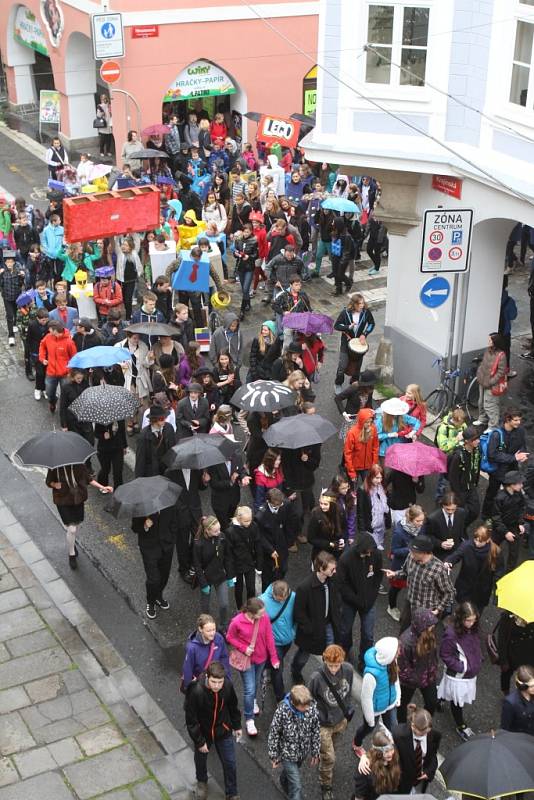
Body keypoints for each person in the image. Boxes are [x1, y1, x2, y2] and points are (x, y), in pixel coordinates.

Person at [184, 661, 242, 800]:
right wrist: (199, 741)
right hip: (203, 732)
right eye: (213, 682)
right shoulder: (196, 691)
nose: (217, 686)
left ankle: (232, 793)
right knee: (201, 759)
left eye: (220, 682)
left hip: (223, 729)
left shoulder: (227, 686)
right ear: (207, 677)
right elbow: (191, 720)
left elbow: (233, 707)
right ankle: (202, 782)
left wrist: (237, 726)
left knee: (230, 763)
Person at [357, 705, 442, 794]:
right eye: (423, 732)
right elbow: (381, 746)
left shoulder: (435, 735)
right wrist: (365, 757)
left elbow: (433, 756)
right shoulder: (398, 734)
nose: (426, 734)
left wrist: (429, 772)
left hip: (421, 780)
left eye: (428, 731)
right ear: (413, 726)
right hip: (402, 781)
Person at [226, 597, 279, 737]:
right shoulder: (237, 622)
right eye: (260, 614)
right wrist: (244, 648)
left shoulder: (264, 618)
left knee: (255, 683)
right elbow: (230, 637)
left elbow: (269, 637)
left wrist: (274, 658)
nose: (263, 616)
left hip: (261, 659)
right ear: (250, 612)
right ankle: (249, 719)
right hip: (247, 661)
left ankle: (253, 702)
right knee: (249, 689)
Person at [308, 644, 355, 800]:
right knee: (330, 758)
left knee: (332, 748)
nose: (334, 669)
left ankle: (324, 760)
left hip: (340, 720)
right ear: (324, 660)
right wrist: (319, 717)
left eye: (337, 665)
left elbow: (348, 692)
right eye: (330, 665)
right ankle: (325, 786)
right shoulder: (316, 678)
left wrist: (346, 710)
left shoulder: (348, 670)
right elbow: (309, 700)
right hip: (323, 724)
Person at [383, 534, 456, 633]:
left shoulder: (439, 569)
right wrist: (395, 574)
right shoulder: (411, 557)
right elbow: (405, 572)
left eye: (414, 552)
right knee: (403, 634)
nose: (411, 554)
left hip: (426, 611)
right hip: (410, 603)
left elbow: (450, 592)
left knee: (421, 642)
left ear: (424, 552)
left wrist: (438, 609)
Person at [46, 464, 112, 569]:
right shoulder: (55, 467)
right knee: (72, 529)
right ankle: (71, 554)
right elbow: (48, 482)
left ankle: (71, 542)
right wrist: (54, 484)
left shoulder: (79, 465)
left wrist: (103, 487)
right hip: (63, 500)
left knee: (75, 527)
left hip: (78, 500)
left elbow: (88, 479)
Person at [291, 551, 341, 684]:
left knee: (330, 653)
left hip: (328, 624)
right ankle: (295, 671)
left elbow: (335, 600)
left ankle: (328, 677)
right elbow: (299, 612)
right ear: (321, 569)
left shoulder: (331, 581)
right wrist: (309, 628)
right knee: (303, 655)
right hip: (312, 629)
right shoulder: (305, 587)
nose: (335, 571)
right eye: (332, 569)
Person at [337, 532, 382, 670]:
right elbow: (342, 585)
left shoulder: (376, 554)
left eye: (370, 552)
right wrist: (356, 600)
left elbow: (378, 577)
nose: (369, 555)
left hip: (368, 602)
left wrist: (371, 598)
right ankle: (345, 650)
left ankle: (364, 659)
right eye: (366, 552)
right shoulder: (345, 559)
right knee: (345, 630)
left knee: (368, 634)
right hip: (350, 602)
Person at [438, 601, 482, 741]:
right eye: (468, 620)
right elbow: (445, 654)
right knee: (457, 701)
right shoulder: (451, 634)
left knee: (449, 691)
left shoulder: (471, 628)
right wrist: (462, 667)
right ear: (461, 618)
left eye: (474, 620)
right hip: (458, 675)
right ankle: (461, 726)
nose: (471, 623)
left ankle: (438, 699)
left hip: (467, 673)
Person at [267, 684, 321, 800]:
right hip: (288, 755)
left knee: (290, 778)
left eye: (308, 704)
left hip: (302, 753)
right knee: (296, 786)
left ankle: (284, 779)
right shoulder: (282, 712)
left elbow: (315, 730)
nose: (307, 708)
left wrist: (315, 751)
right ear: (294, 704)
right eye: (304, 706)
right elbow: (274, 733)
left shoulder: (311, 709)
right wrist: (273, 755)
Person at [352, 637, 400, 757]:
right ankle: (357, 743)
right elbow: (366, 698)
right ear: (389, 655)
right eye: (397, 651)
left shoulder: (392, 662)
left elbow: (396, 680)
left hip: (390, 704)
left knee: (394, 729)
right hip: (375, 708)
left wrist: (397, 696)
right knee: (368, 728)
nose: (399, 652)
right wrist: (370, 718)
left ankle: (389, 751)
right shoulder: (371, 675)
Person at [481, 408, 528, 519]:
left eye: (519, 420)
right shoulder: (496, 435)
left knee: (515, 494)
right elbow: (492, 455)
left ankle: (509, 515)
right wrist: (514, 458)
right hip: (498, 471)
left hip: (512, 470)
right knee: (491, 494)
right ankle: (486, 515)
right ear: (508, 419)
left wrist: (522, 455)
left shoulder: (520, 431)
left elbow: (522, 445)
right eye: (516, 420)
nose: (519, 422)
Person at [397, 609, 439, 722]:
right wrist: (418, 679)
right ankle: (402, 726)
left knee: (432, 702)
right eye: (431, 625)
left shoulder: (428, 634)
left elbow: (433, 654)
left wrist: (433, 668)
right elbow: (403, 670)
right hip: (410, 682)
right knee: (401, 704)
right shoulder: (406, 643)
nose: (433, 627)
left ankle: (422, 722)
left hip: (428, 676)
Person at [387, 504, 426, 622]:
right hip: (401, 565)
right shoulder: (399, 532)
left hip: (415, 563)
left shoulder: (420, 527)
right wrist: (411, 549)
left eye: (422, 520)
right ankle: (391, 607)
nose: (421, 523)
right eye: (418, 521)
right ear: (410, 519)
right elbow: (394, 550)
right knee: (396, 588)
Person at [259, 579, 296, 702]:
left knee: (276, 663)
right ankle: (280, 697)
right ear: (273, 593)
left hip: (288, 640)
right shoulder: (262, 601)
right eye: (279, 599)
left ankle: (266, 668)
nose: (282, 601)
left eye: (284, 599)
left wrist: (293, 631)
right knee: (278, 669)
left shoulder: (292, 596)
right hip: (274, 643)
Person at [256, 488, 298, 590]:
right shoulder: (260, 516)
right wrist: (270, 550)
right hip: (269, 549)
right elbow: (259, 536)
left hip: (282, 545)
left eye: (280, 504)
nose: (279, 507)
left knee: (283, 569)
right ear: (268, 502)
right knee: (268, 577)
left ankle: (278, 588)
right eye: (276, 505)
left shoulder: (286, 505)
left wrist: (289, 541)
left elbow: (291, 523)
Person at [225, 506, 262, 609]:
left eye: (250, 520)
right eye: (246, 521)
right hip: (237, 566)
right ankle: (240, 609)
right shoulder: (230, 532)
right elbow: (228, 554)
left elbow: (258, 545)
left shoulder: (253, 526)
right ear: (239, 519)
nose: (249, 523)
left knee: (251, 588)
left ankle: (250, 608)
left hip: (249, 562)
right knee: (239, 589)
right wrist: (230, 573)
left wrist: (259, 565)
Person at [181, 614, 231, 691]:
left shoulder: (219, 638)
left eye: (214, 629)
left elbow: (224, 657)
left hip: (216, 679)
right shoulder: (192, 648)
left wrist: (227, 677)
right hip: (201, 684)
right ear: (200, 629)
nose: (212, 633)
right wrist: (189, 687)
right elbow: (188, 668)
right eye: (209, 631)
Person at [207, 447, 250, 532]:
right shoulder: (214, 463)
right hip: (220, 502)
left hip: (234, 498)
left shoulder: (237, 456)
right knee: (225, 527)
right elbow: (214, 484)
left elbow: (241, 470)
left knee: (231, 521)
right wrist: (231, 482)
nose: (231, 456)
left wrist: (243, 477)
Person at [447, 425, 482, 529]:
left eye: (478, 438)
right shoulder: (458, 456)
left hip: (471, 487)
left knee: (475, 511)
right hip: (460, 491)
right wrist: (457, 494)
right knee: (459, 514)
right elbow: (452, 478)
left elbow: (477, 466)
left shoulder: (477, 451)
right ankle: (457, 531)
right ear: (467, 441)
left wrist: (475, 483)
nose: (478, 441)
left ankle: (462, 528)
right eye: (475, 439)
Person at [491, 470, 526, 573]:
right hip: (499, 528)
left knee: (514, 554)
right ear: (511, 485)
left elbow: (521, 508)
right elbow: (496, 517)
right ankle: (491, 570)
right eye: (519, 483)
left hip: (514, 526)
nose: (522, 485)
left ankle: (509, 573)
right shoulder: (499, 498)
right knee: (492, 550)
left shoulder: (518, 494)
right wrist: (505, 532)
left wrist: (520, 523)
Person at [38, 321, 77, 414]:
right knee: (49, 393)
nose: (48, 331)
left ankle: (65, 411)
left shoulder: (69, 342)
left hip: (65, 374)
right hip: (51, 372)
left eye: (50, 330)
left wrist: (70, 371)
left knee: (66, 394)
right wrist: (42, 358)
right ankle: (53, 402)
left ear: (55, 331)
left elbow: (74, 358)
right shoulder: (48, 337)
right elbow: (42, 345)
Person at [352, 728, 401, 800]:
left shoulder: (394, 755)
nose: (391, 754)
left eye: (391, 749)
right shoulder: (365, 770)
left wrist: (364, 755)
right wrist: (364, 756)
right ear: (378, 752)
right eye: (386, 751)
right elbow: (359, 796)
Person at [475, 333, 508, 428]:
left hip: (492, 385)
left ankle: (493, 426)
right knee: (481, 402)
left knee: (490, 406)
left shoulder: (501, 355)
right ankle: (483, 419)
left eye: (490, 340)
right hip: (482, 381)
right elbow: (483, 363)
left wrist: (491, 382)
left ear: (495, 342)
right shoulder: (488, 350)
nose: (488, 342)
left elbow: (501, 372)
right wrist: (479, 374)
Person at [496, 613, 534, 694]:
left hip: (529, 655)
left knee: (528, 679)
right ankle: (506, 692)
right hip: (511, 654)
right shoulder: (508, 616)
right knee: (506, 674)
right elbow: (502, 639)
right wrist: (503, 660)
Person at [134, 405, 175, 477]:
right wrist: (139, 480)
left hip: (167, 470)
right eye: (162, 418)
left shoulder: (169, 428)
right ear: (154, 420)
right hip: (152, 473)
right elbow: (140, 461)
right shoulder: (143, 436)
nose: (165, 420)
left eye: (165, 417)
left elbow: (173, 449)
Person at [357, 464, 390, 551]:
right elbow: (360, 511)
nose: (379, 481)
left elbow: (386, 505)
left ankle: (378, 543)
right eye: (376, 478)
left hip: (381, 520)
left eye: (381, 478)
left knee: (380, 536)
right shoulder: (362, 490)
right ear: (370, 477)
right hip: (370, 523)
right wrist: (362, 530)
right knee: (370, 546)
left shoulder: (382, 487)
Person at [426, 492, 467, 559]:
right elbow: (428, 536)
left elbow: (461, 529)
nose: (450, 512)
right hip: (439, 553)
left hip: (455, 551)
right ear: (443, 505)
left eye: (453, 509)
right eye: (447, 509)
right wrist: (440, 544)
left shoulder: (461, 513)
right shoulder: (433, 518)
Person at [343, 408, 379, 486]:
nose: (369, 424)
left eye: (370, 421)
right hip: (354, 467)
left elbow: (375, 447)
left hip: (368, 466)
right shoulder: (352, 432)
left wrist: (374, 463)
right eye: (366, 422)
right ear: (361, 421)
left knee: (367, 488)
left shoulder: (373, 429)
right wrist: (351, 472)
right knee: (353, 489)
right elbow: (347, 453)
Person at [307, 492, 346, 561]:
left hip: (337, 551)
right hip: (321, 552)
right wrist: (330, 544)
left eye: (325, 504)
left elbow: (344, 527)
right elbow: (311, 538)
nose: (322, 506)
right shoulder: (316, 515)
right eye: (321, 503)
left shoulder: (340, 512)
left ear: (332, 505)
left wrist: (342, 540)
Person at [501, 664, 534, 736]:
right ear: (523, 687)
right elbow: (505, 728)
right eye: (532, 686)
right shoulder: (510, 703)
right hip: (520, 738)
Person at [0, 250, 25, 345]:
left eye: (11, 262)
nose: (9, 264)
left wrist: (22, 277)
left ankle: (15, 324)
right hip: (6, 297)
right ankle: (11, 336)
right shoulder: (2, 272)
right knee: (9, 315)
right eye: (7, 262)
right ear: (5, 263)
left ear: (14, 262)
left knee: (15, 312)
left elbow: (21, 284)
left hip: (16, 296)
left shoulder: (18, 270)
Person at [94, 420, 126, 490]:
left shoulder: (120, 418)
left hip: (118, 448)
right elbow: (96, 433)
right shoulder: (101, 419)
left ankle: (118, 490)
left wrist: (124, 446)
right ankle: (103, 485)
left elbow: (122, 432)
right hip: (104, 449)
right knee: (105, 470)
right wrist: (103, 436)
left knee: (118, 471)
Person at [27, 308, 49, 400]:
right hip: (36, 351)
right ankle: (37, 389)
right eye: (43, 320)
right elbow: (29, 339)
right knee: (39, 373)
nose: (45, 322)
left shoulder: (49, 324)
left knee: (45, 372)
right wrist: (31, 352)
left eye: (46, 320)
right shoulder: (32, 325)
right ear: (37, 318)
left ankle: (44, 389)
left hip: (47, 351)